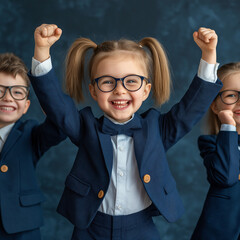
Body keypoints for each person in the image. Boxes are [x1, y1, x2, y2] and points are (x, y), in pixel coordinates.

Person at [29, 24, 222, 240]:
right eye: (107, 82)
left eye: (131, 81)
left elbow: (190, 108)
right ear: (93, 90)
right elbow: (56, 105)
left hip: (141, 228)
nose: (119, 90)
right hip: (91, 228)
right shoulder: (85, 127)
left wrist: (208, 54)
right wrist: (42, 50)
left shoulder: (157, 129)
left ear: (146, 89)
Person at [0, 53, 66, 240]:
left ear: (26, 105)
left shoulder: (31, 133)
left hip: (23, 228)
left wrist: (50, 102)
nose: (8, 98)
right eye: (0, 90)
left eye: (18, 92)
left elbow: (60, 127)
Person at [191, 62, 240, 240]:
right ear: (214, 106)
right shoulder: (210, 143)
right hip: (220, 232)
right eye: (231, 95)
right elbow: (226, 176)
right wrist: (228, 127)